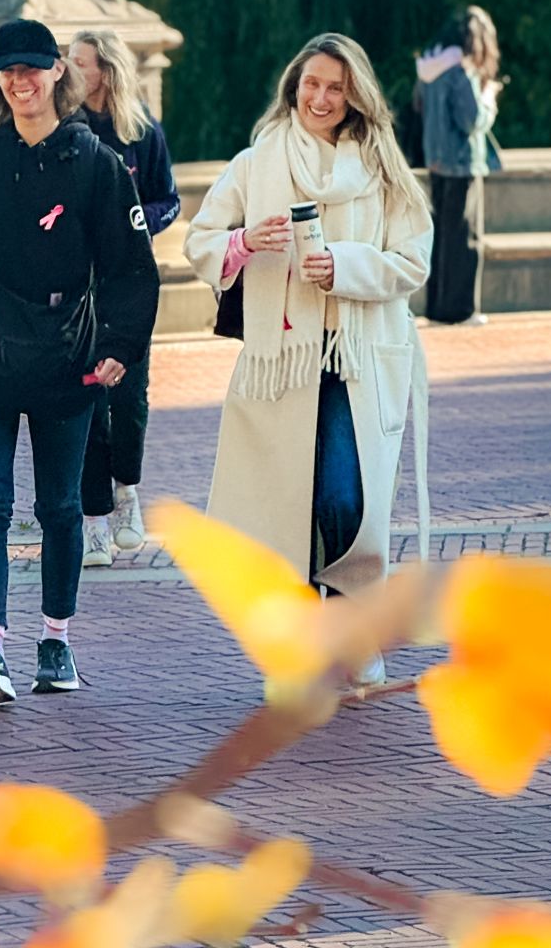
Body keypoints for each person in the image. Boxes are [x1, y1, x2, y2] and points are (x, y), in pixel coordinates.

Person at [184, 34, 433, 684]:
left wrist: (343, 267)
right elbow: (201, 241)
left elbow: (413, 261)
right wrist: (243, 240)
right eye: (311, 83)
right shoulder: (255, 161)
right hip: (283, 363)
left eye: (334, 87)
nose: (320, 97)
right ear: (293, 85)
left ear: (353, 96)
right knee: (280, 507)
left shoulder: (381, 170)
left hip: (359, 361)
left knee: (347, 501)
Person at [0, 19, 160, 707]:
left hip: (70, 360)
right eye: (7, 70)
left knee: (60, 507)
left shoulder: (94, 165)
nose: (19, 80)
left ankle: (55, 640)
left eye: (32, 67)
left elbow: (129, 269)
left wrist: (119, 348)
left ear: (59, 71)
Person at [66, 28, 181, 564]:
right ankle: (92, 521)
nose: (69, 69)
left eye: (80, 62)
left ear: (106, 71)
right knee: (87, 399)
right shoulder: (66, 129)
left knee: (129, 399)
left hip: (130, 283)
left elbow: (169, 200)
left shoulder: (142, 131)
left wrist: (135, 225)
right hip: (79, 289)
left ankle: (126, 492)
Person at [413, 7, 502, 325]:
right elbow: (471, 120)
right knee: (465, 238)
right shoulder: (460, 71)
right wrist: (489, 97)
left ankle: (437, 309)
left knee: (440, 237)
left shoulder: (429, 68)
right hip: (463, 163)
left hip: (436, 160)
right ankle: (462, 310)